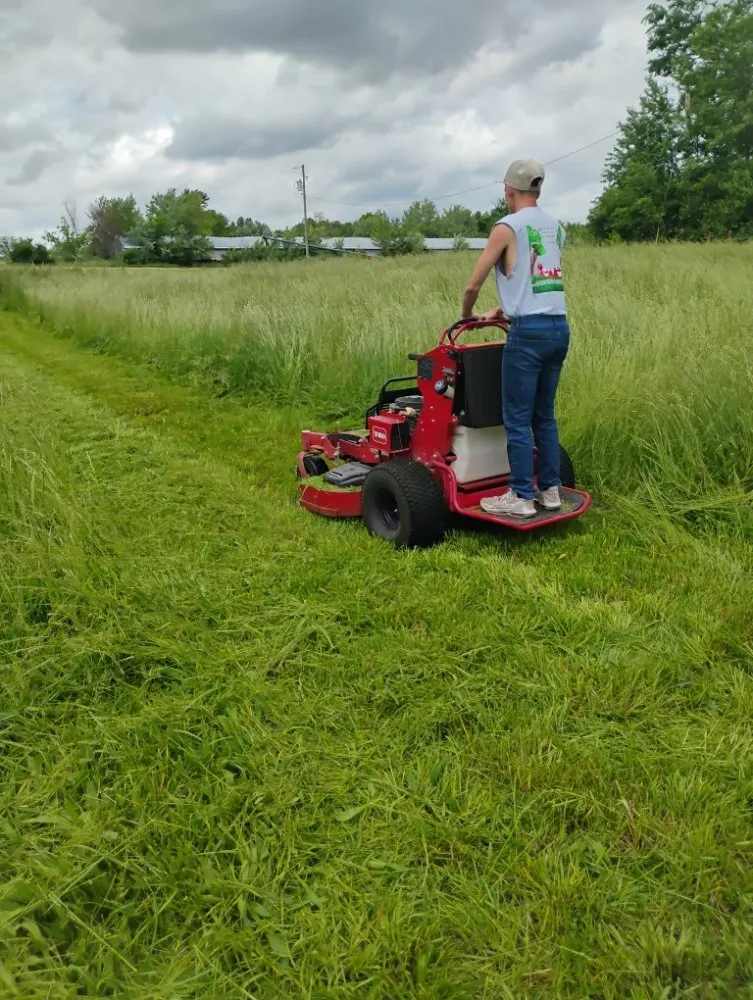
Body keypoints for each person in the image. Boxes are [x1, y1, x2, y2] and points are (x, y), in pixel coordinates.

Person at [459, 158, 570, 518]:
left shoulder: (506, 227)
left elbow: (472, 284)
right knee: (545, 417)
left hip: (528, 337)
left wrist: (468, 316)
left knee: (517, 419)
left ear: (508, 190)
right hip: (558, 328)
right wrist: (503, 310)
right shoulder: (555, 227)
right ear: (538, 189)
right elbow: (537, 281)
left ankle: (521, 496)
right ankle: (550, 491)